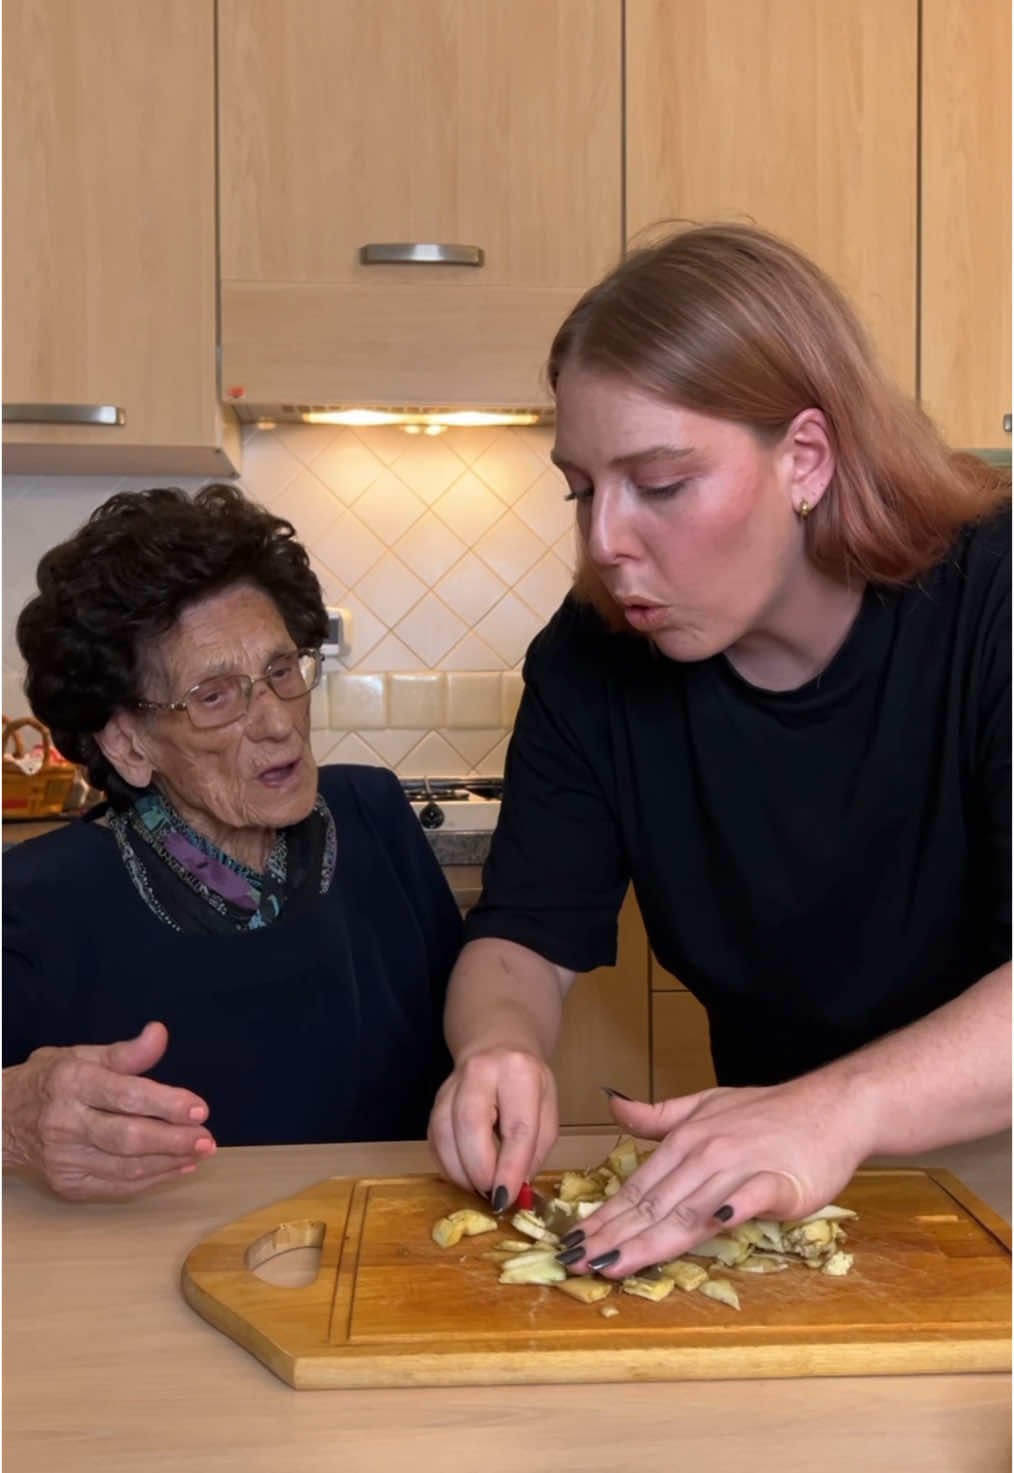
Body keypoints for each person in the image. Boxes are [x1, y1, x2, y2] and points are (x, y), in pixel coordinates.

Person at [427, 224, 1011, 1280]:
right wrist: (496, 1045)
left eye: (658, 483)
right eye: (581, 487)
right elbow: (522, 935)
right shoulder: (590, 664)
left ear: (805, 458)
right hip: (783, 1193)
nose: (605, 540)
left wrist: (837, 1107)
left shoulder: (994, 601)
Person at [3, 484, 461, 1199]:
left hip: (389, 1252)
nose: (277, 720)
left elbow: (464, 1032)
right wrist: (10, 1120)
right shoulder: (37, 901)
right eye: (215, 695)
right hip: (136, 1280)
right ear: (127, 742)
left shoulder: (375, 815)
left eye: (282, 671)